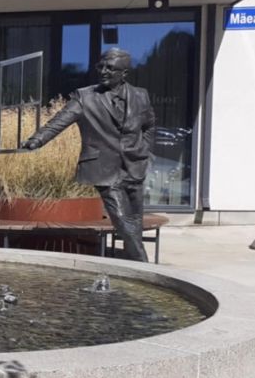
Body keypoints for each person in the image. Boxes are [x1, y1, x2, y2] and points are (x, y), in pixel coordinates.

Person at [22, 48, 156, 261]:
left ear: (124, 73)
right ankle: (145, 266)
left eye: (110, 68)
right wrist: (37, 140)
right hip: (104, 168)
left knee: (135, 220)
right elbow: (59, 121)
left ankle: (133, 266)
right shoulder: (84, 97)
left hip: (134, 166)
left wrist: (144, 150)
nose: (103, 71)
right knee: (122, 220)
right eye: (100, 67)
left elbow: (149, 126)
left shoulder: (141, 95)